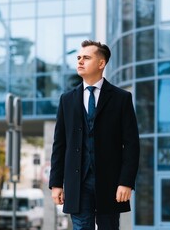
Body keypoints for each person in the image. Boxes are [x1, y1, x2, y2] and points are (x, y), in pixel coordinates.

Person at [49, 40, 140, 230]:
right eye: (79, 58)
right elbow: (60, 145)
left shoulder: (121, 98)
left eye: (86, 58)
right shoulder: (67, 100)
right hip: (78, 182)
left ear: (101, 64)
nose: (80, 61)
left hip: (110, 183)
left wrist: (126, 182)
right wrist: (56, 183)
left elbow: (131, 144)